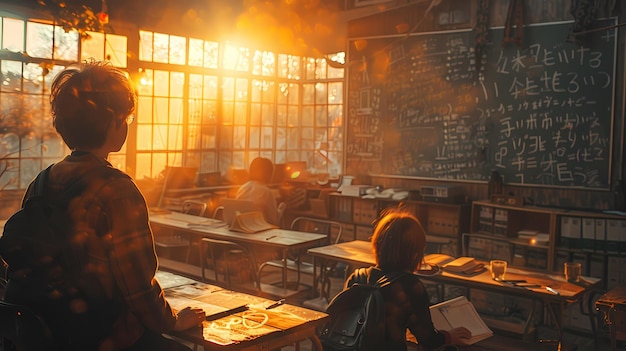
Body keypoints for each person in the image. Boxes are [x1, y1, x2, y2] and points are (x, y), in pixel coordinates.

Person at [0, 60, 205, 351]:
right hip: (99, 336)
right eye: (126, 119)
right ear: (112, 123)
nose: (126, 126)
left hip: (41, 333)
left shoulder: (42, 182)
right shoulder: (117, 190)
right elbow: (138, 288)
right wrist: (173, 320)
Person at [343, 209, 471, 351]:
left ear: (377, 244)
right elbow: (429, 340)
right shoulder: (409, 286)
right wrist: (449, 336)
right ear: (415, 252)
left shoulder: (357, 277)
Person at [235, 157, 285, 225]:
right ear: (269, 174)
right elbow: (274, 220)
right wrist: (282, 207)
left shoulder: (242, 188)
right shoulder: (266, 192)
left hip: (243, 227)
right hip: (261, 230)